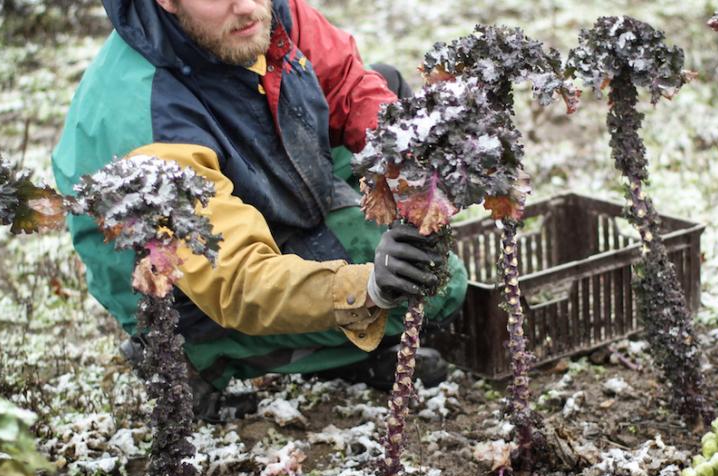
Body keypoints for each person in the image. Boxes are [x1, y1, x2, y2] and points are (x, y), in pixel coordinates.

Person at [51, 0, 468, 421]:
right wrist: (368, 287)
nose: (247, 6)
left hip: (248, 179)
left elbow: (343, 81)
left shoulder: (256, 15)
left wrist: (407, 151)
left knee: (387, 86)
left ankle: (341, 326)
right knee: (435, 289)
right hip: (187, 286)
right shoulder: (153, 122)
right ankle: (194, 357)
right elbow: (237, 280)